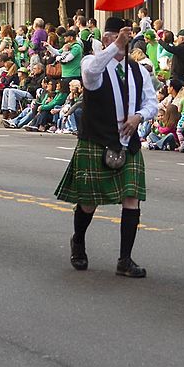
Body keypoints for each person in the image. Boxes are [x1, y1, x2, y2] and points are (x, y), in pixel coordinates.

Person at [55, 18, 159, 278]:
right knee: (89, 203)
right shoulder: (93, 63)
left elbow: (152, 103)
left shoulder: (139, 71)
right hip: (98, 140)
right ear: (107, 39)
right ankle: (78, 240)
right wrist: (113, 48)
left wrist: (139, 117)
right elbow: (90, 74)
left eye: (124, 36)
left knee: (132, 199)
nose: (120, 41)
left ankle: (125, 259)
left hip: (128, 143)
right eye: (114, 36)